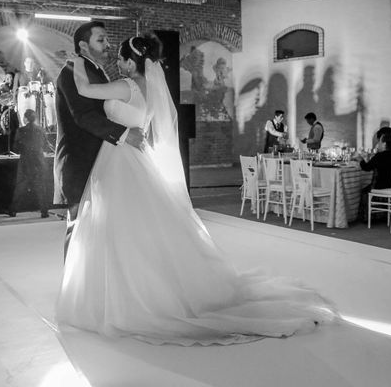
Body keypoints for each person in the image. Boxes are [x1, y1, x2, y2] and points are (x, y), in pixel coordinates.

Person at [56, 35, 338, 346]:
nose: (119, 64)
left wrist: (76, 61)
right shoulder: (150, 88)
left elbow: (84, 90)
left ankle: (124, 294)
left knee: (118, 226)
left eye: (123, 59)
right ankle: (142, 286)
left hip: (119, 160)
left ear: (134, 61)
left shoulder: (127, 87)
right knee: (135, 225)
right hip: (132, 157)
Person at [54, 21, 145, 261]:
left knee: (97, 228)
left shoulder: (95, 71)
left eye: (107, 39)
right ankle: (72, 287)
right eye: (101, 40)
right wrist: (125, 133)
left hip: (101, 160)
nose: (108, 44)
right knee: (78, 227)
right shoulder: (72, 71)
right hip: (79, 162)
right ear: (83, 45)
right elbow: (83, 116)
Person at [6, 109, 52, 218]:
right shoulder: (41, 130)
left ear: (25, 118)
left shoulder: (21, 131)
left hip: (26, 161)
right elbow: (46, 145)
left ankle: (13, 210)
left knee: (20, 186)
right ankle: (44, 211)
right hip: (39, 161)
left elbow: (16, 148)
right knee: (41, 186)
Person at [355, 133, 391, 221]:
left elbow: (366, 168)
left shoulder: (380, 156)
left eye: (379, 141)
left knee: (363, 190)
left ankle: (368, 216)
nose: (378, 143)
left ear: (385, 144)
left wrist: (360, 160)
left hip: (380, 185)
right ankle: (383, 213)